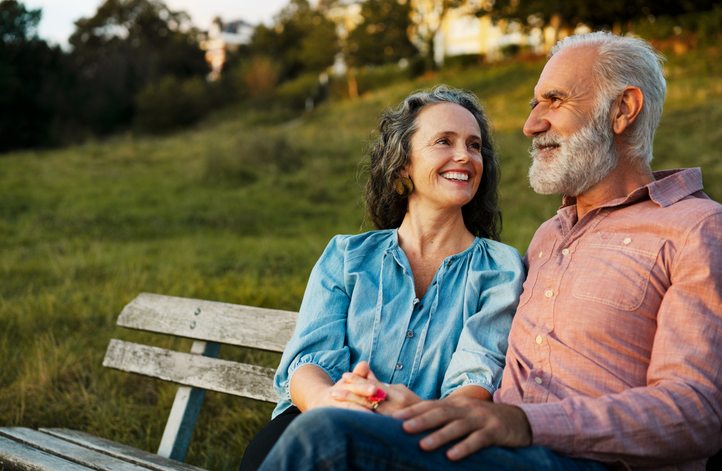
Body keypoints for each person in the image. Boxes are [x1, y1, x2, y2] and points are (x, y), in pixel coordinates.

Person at [256, 32, 722, 471]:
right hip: (488, 448)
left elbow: (697, 411)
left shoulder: (696, 229)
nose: (530, 124)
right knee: (314, 435)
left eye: (554, 101)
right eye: (534, 104)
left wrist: (518, 422)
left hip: (574, 457)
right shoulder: (550, 238)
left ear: (623, 110)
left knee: (329, 440)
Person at [238, 86, 526, 470]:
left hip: (422, 436)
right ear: (403, 163)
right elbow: (307, 362)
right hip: (320, 420)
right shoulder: (346, 257)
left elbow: (475, 382)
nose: (465, 156)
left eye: (474, 146)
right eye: (445, 141)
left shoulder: (499, 268)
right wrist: (329, 404)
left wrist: (405, 410)